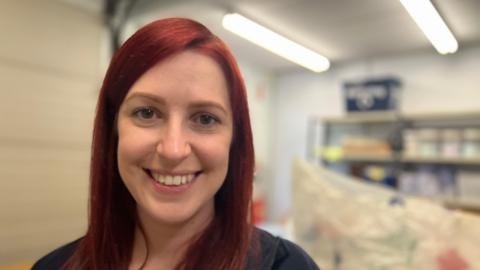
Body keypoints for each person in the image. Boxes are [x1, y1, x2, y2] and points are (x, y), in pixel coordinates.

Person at [32, 18, 320, 270]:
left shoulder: (287, 265)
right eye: (146, 113)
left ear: (235, 140)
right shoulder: (54, 266)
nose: (173, 150)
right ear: (113, 130)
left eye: (205, 119)